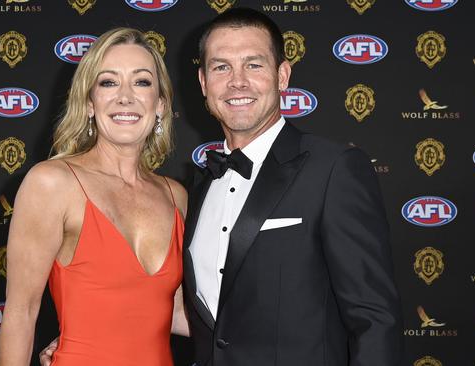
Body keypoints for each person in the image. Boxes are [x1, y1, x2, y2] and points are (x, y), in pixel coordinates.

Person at [42, 7, 403, 366]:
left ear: (282, 75)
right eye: (221, 67)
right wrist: (89, 333)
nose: (237, 81)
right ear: (203, 82)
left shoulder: (333, 169)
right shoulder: (194, 191)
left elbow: (375, 320)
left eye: (254, 64)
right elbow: (181, 309)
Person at [0, 27, 189, 366]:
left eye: (142, 82)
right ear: (89, 103)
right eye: (108, 82)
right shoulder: (52, 183)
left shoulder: (176, 197)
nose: (125, 97)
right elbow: (21, 313)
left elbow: (173, 313)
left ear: (160, 105)